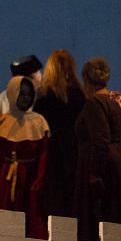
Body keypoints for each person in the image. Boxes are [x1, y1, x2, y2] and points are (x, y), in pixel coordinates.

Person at [73, 57, 121, 241]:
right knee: (115, 222)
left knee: (97, 224)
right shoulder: (113, 102)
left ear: (86, 78)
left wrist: (94, 173)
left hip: (103, 167)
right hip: (120, 164)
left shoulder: (95, 102)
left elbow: (100, 139)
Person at [0, 76, 50, 238]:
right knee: (7, 219)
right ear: (12, 94)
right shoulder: (3, 121)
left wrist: (40, 178)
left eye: (28, 95)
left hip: (29, 179)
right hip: (7, 179)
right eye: (21, 94)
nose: (25, 98)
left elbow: (43, 153)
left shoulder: (39, 121)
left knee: (31, 220)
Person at [34, 50, 85, 219]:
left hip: (50, 151)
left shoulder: (44, 95)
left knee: (52, 200)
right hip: (73, 149)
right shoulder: (79, 95)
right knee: (71, 198)